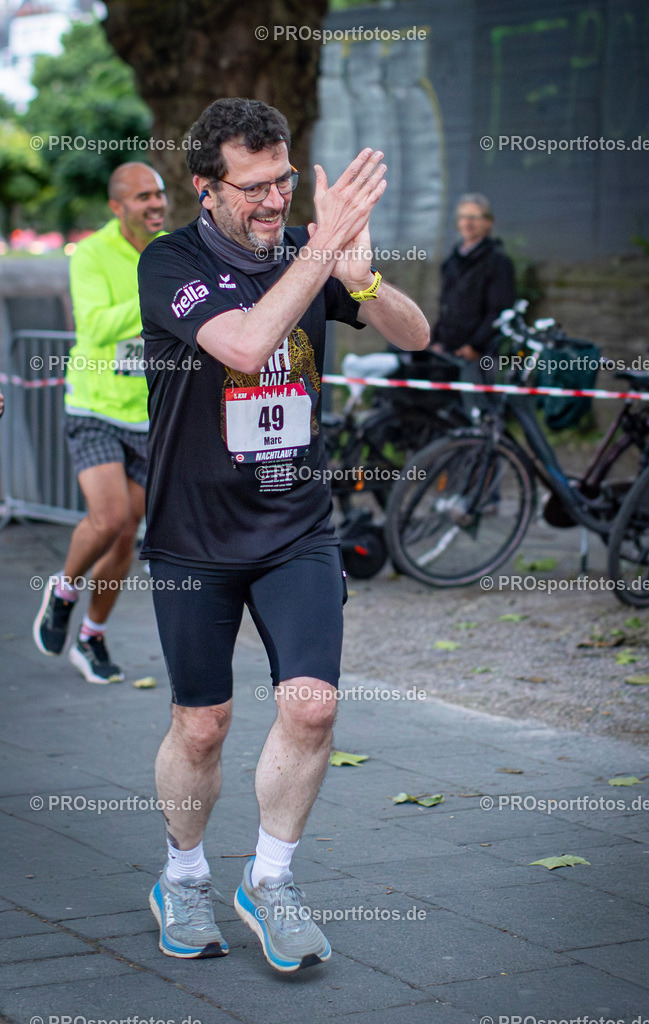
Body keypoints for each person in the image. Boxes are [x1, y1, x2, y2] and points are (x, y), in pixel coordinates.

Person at [136, 97, 430, 969]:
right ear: (206, 187)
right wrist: (320, 250)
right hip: (192, 535)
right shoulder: (170, 261)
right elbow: (244, 343)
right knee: (202, 724)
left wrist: (361, 278)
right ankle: (183, 878)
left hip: (295, 526)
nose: (275, 201)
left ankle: (269, 880)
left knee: (313, 706)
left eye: (285, 182)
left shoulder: (311, 248)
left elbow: (418, 336)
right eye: (255, 187)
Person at [33, 162, 167, 683]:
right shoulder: (91, 254)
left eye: (158, 193)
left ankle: (91, 636)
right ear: (117, 206)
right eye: (142, 196)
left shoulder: (170, 250)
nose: (155, 203)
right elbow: (95, 325)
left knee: (126, 535)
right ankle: (64, 590)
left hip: (147, 413)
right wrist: (159, 295)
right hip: (94, 406)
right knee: (109, 518)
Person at [431, 193, 515, 417]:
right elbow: (445, 306)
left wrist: (476, 346)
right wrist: (437, 340)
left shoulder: (497, 262)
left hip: (477, 357)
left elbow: (499, 310)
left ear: (488, 222)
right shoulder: (452, 262)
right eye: (463, 217)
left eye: (474, 217)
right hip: (446, 353)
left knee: (476, 414)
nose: (467, 222)